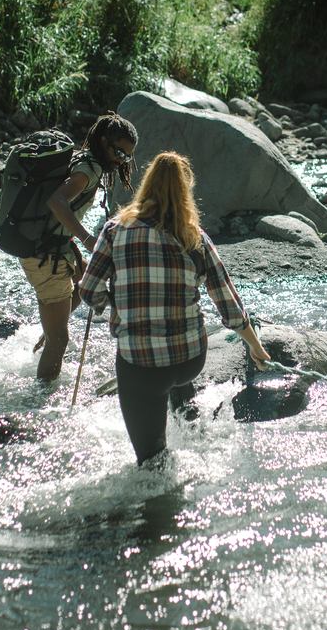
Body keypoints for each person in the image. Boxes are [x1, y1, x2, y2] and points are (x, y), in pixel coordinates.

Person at [78, 151, 271, 466]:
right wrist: (255, 346)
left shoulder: (115, 230)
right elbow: (228, 302)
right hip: (189, 359)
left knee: (151, 460)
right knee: (174, 366)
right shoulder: (195, 237)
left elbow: (88, 290)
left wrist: (113, 304)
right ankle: (193, 430)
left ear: (146, 184)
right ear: (185, 191)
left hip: (141, 364)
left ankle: (163, 482)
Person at [22, 112, 138, 381]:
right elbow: (56, 202)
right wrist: (88, 240)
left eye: (127, 157)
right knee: (60, 341)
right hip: (44, 255)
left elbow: (57, 213)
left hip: (50, 246)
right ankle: (39, 396)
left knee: (86, 277)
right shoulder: (89, 169)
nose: (120, 160)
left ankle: (49, 332)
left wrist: (73, 245)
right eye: (118, 152)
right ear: (104, 141)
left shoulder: (83, 160)